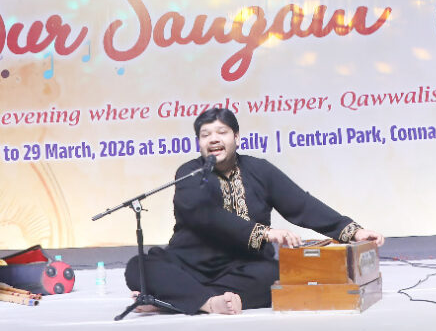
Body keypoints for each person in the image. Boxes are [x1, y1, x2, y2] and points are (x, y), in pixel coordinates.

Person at [125, 108, 384, 315]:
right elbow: (206, 216)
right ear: (199, 143)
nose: (213, 139)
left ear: (236, 137)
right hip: (190, 264)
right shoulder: (189, 173)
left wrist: (353, 231)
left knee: (276, 276)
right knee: (138, 267)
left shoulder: (260, 170)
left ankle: (172, 299)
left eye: (222, 132)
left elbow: (302, 205)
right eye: (205, 135)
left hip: (243, 267)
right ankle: (208, 302)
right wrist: (264, 233)